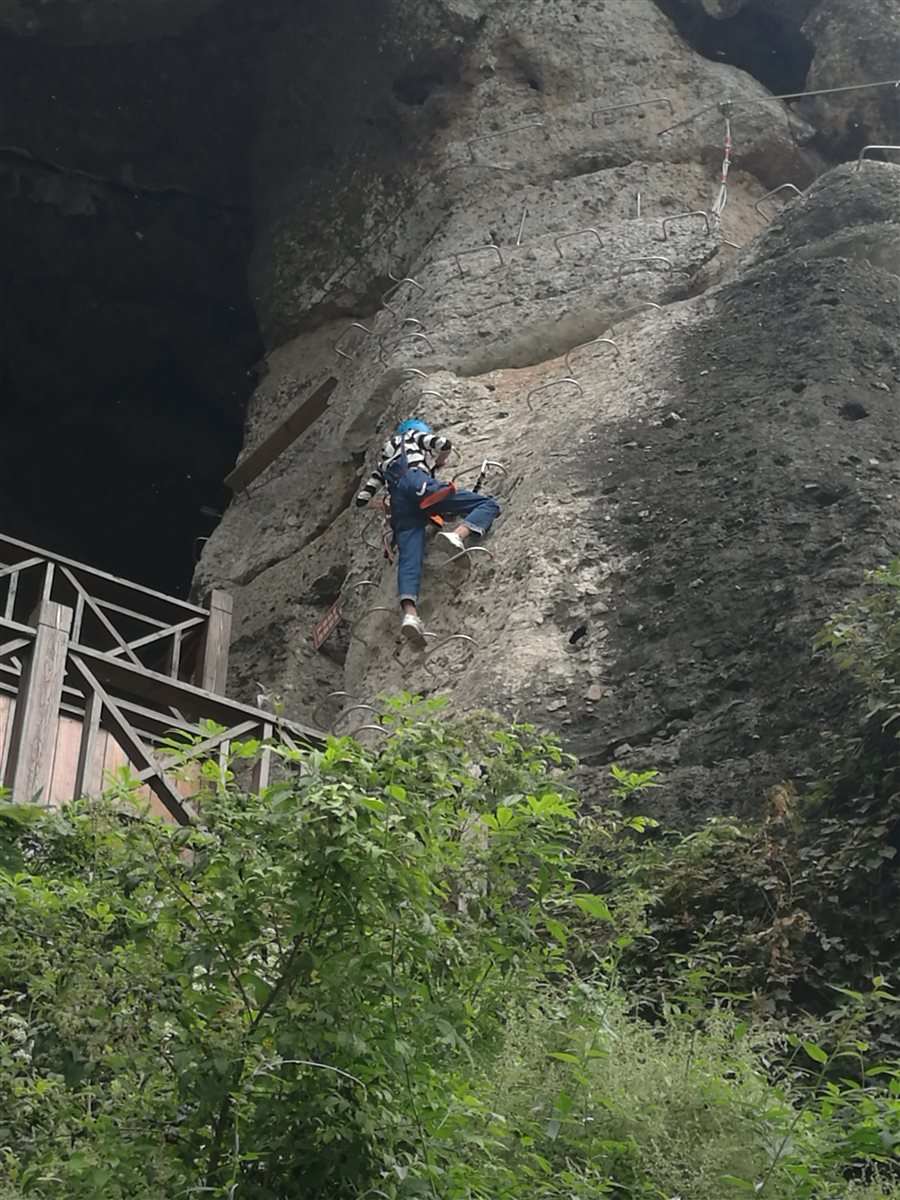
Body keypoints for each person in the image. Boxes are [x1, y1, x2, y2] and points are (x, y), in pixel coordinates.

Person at [355, 419, 500, 648]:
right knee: (487, 505)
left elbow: (362, 500)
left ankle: (411, 615)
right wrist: (438, 464)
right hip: (418, 483)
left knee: (409, 560)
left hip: (401, 505)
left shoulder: (383, 464)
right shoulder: (412, 437)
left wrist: (382, 506)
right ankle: (457, 536)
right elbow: (444, 443)